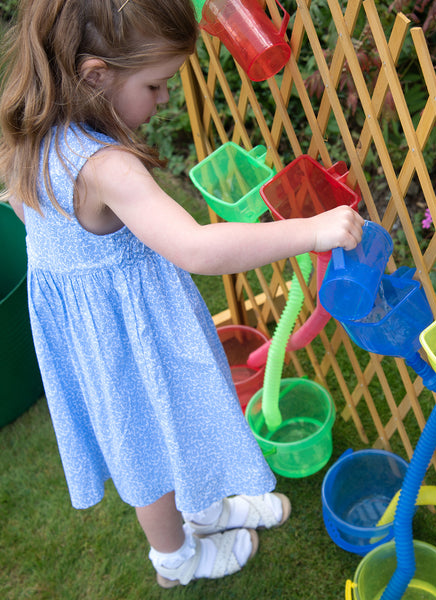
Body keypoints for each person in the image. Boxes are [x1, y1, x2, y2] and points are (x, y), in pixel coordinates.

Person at [0, 0, 364, 589]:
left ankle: (206, 507)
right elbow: (195, 248)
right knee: (148, 453)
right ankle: (175, 559)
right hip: (125, 340)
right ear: (95, 76)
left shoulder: (33, 134)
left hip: (102, 332)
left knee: (177, 424)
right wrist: (311, 229)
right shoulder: (106, 166)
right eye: (157, 84)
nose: (166, 99)